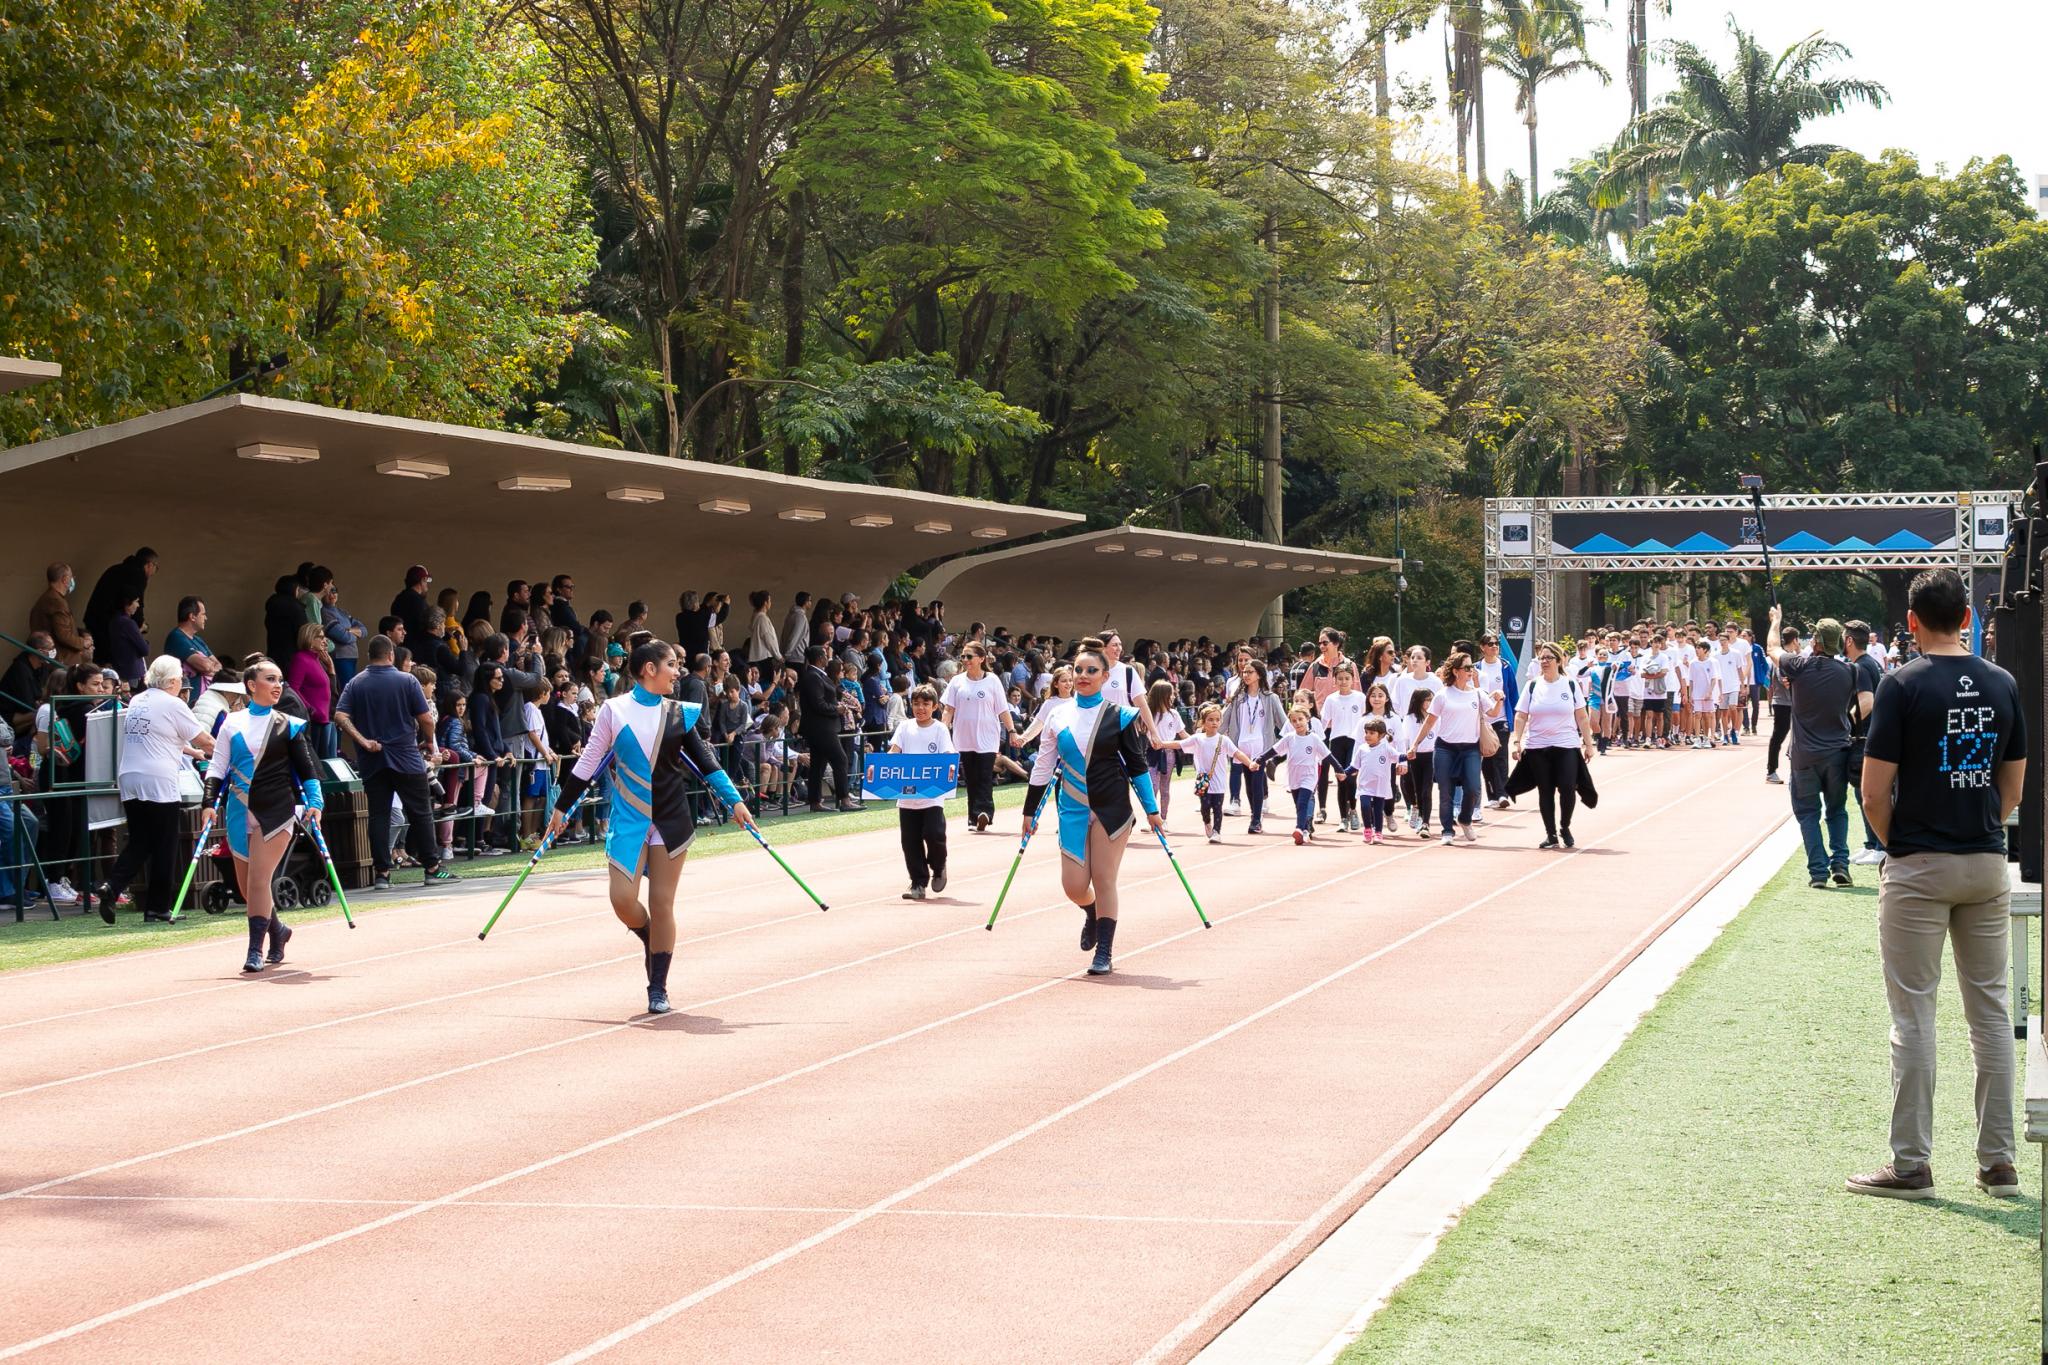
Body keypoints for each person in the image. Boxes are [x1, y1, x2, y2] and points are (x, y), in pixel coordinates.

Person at [1848, 568, 2026, 1202]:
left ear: (1913, 622)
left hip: (1919, 862)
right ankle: (1999, 1163)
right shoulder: (2003, 683)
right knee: (1991, 1015)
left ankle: (1912, 1164)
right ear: (1970, 619)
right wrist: (1978, 825)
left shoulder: (1901, 685)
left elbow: (1873, 792)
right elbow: (2014, 787)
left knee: (1914, 1014)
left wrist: (1902, 844)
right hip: (1984, 860)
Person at [548, 638, 751, 1015]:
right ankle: (647, 936)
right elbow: (588, 763)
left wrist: (734, 800)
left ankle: (658, 986)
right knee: (622, 899)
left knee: (662, 904)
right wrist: (561, 807)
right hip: (629, 817)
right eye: (672, 664)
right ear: (649, 669)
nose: (678, 671)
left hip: (671, 817)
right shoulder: (614, 710)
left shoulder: (680, 713)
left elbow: (706, 762)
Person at [1021, 643, 1162, 976]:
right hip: (1072, 806)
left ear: (1105, 676)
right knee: (1072, 885)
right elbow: (1043, 766)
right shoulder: (1057, 715)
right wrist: (1030, 811)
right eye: (1078, 670)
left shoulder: (1122, 715)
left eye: (1091, 671)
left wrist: (1152, 810)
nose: (1082, 676)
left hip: (1111, 807)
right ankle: (1091, 911)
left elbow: (1138, 766)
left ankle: (1105, 952)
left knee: (1104, 877)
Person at [203, 656, 325, 972]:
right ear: (251, 685)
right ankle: (279, 931)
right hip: (237, 810)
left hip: (277, 809)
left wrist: (315, 801)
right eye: (270, 679)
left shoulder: (290, 724)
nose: (278, 685)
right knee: (246, 889)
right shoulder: (231, 723)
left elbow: (307, 768)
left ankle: (254, 950)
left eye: (280, 679)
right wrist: (207, 803)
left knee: (259, 880)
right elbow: (217, 767)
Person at [94, 656, 212, 924]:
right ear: (171, 681)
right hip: (158, 780)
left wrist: (193, 752)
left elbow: (162, 735)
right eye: (180, 679)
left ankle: (112, 886)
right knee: (164, 845)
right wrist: (228, 753)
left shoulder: (138, 700)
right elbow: (203, 738)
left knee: (140, 840)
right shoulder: (173, 704)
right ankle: (158, 907)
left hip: (130, 776)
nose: (182, 683)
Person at [334, 634, 456, 890]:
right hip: (406, 757)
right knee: (420, 811)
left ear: (369, 655)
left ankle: (382, 873)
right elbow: (426, 719)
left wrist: (364, 741)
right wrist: (429, 741)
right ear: (391, 655)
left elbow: (340, 716)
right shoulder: (407, 681)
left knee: (379, 815)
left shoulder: (356, 683)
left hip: (372, 759)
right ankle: (432, 868)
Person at [1770, 605, 1859, 889]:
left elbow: (1772, 647)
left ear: (1817, 642)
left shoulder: (1798, 666)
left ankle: (1818, 872)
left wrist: (1776, 621)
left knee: (1808, 813)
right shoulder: (1850, 672)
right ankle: (1840, 863)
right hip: (1837, 753)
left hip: (1804, 755)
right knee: (1837, 810)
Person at [1508, 642, 1596, 850]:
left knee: (1567, 787)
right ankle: (1551, 834)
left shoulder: (1570, 684)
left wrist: (1589, 744)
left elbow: (1582, 718)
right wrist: (1516, 742)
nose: (1544, 662)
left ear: (1559, 660)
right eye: (1542, 658)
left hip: (1566, 745)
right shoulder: (1532, 686)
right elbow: (1521, 716)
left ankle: (1565, 826)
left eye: (1549, 658)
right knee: (1545, 791)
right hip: (1538, 746)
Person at [1408, 652, 1500, 846]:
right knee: (1446, 790)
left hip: (1470, 749)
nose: (1471, 671)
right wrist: (1415, 744)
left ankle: (1465, 819)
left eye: (1472, 667)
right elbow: (1429, 722)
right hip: (1445, 749)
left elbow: (1492, 713)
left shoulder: (1477, 693)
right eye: (1467, 668)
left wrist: (1499, 700)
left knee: (1473, 788)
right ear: (1456, 671)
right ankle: (1447, 830)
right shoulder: (1443, 694)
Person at [889, 683, 955, 901]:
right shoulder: (905, 727)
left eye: (926, 704)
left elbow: (947, 754)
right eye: (916, 704)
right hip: (907, 796)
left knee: (934, 833)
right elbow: (895, 752)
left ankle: (939, 865)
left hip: (932, 795)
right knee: (910, 840)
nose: (921, 708)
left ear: (935, 706)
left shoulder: (939, 729)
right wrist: (881, 765)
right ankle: (918, 882)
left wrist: (950, 766)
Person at [942, 642, 1013, 832]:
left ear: (981, 659)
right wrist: (942, 732)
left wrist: (1012, 731)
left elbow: (1003, 709)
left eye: (969, 656)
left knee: (984, 776)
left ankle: (985, 812)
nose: (965, 660)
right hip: (963, 738)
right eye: (963, 657)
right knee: (971, 779)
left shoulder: (992, 681)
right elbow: (949, 709)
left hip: (987, 738)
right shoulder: (956, 681)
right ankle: (973, 817)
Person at [1219, 660, 1286, 834]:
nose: (1246, 675)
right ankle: (1255, 815)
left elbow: (1283, 722)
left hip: (1260, 747)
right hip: (1241, 747)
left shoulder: (1270, 698)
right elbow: (1223, 720)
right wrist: (1209, 733)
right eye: (1244, 672)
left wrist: (1296, 735)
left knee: (1257, 781)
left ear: (1259, 674)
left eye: (1250, 672)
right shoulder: (1238, 697)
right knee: (1248, 783)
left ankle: (1256, 819)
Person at [1845, 620, 1888, 866]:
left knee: (1867, 793)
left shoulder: (1862, 667)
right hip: (1870, 736)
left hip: (1866, 739)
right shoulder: (1867, 664)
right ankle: (1872, 843)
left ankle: (1880, 845)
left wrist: (1848, 721)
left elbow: (1867, 702)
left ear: (1849, 640)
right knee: (1863, 794)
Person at [797, 645, 854, 812]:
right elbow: (818, 704)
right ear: (820, 658)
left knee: (818, 765)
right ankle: (844, 799)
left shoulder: (817, 675)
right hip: (821, 727)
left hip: (821, 727)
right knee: (840, 759)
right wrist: (836, 709)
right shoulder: (813, 676)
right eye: (825, 655)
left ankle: (815, 801)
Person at [1320, 664, 1367, 833]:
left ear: (1353, 679)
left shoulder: (1360, 697)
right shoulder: (1331, 699)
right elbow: (1324, 722)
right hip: (1337, 741)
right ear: (1334, 681)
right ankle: (1343, 818)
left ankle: (1353, 810)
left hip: (1355, 742)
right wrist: (1317, 738)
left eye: (1347, 678)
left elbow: (1367, 718)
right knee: (1341, 779)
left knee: (1351, 779)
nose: (1343, 682)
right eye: (1340, 679)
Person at [1475, 633, 1517, 809]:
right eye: (1490, 644)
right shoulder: (1476, 668)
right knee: (1487, 758)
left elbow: (1513, 693)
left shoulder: (1505, 666)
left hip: (1501, 718)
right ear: (1482, 647)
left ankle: (1503, 793)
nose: (1494, 646)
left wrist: (1514, 717)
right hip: (1483, 720)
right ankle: (1492, 794)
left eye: (1496, 644)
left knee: (1500, 756)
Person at [82, 546, 157, 645]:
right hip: (107, 625)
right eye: (156, 567)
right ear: (149, 565)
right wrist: (140, 624)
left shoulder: (116, 569)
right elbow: (137, 602)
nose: (154, 572)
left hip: (94, 619)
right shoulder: (138, 575)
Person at [287, 622, 337, 759]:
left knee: (325, 763)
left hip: (324, 720)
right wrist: (310, 709)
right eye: (320, 637)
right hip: (313, 721)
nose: (324, 640)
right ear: (309, 638)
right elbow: (293, 688)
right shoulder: (301, 659)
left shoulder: (317, 660)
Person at [1352, 717, 1404, 844]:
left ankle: (1378, 832)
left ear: (1381, 736)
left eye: (1372, 733)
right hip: (1365, 785)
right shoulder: (1362, 748)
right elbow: (1354, 765)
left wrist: (1408, 755)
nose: (1368, 736)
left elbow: (1398, 756)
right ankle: (1368, 829)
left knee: (1377, 810)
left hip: (1380, 786)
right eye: (1366, 733)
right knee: (1365, 806)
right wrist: (1344, 772)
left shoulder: (1385, 748)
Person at [30, 562, 91, 666]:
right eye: (71, 577)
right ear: (65, 579)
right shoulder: (57, 602)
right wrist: (83, 643)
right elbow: (63, 635)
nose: (72, 580)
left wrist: (82, 633)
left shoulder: (48, 598)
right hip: (62, 660)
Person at [162, 597, 220, 700]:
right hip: (186, 701)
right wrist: (207, 666)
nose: (205, 618)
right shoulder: (176, 637)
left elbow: (219, 666)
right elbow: (205, 666)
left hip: (202, 700)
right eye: (203, 614)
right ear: (192, 616)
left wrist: (207, 667)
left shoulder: (198, 640)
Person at [1763, 624, 1796, 783]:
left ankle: (1794, 769)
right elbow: (1785, 681)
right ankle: (1771, 770)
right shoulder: (1782, 659)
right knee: (1779, 735)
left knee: (1794, 735)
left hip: (1791, 702)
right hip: (1783, 702)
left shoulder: (1790, 656)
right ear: (1795, 640)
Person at [322, 581, 367, 688]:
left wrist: (348, 630)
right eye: (328, 592)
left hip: (352, 656)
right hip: (340, 657)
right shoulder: (324, 612)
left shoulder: (343, 612)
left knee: (351, 688)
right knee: (346, 690)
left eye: (334, 591)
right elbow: (344, 637)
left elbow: (364, 630)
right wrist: (355, 634)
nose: (332, 595)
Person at [101, 594, 149, 687]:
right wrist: (146, 642)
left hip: (120, 670)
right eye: (136, 601)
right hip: (132, 673)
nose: (138, 605)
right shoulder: (128, 623)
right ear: (127, 603)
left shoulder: (114, 621)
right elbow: (144, 649)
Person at [264, 574, 306, 662]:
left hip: (273, 651)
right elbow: (302, 632)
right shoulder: (295, 607)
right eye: (298, 589)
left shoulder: (272, 604)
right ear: (294, 589)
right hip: (292, 654)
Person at [390, 565, 433, 644]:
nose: (427, 585)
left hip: (401, 647)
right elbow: (428, 627)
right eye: (427, 581)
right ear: (422, 580)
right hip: (418, 648)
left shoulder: (399, 599)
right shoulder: (419, 602)